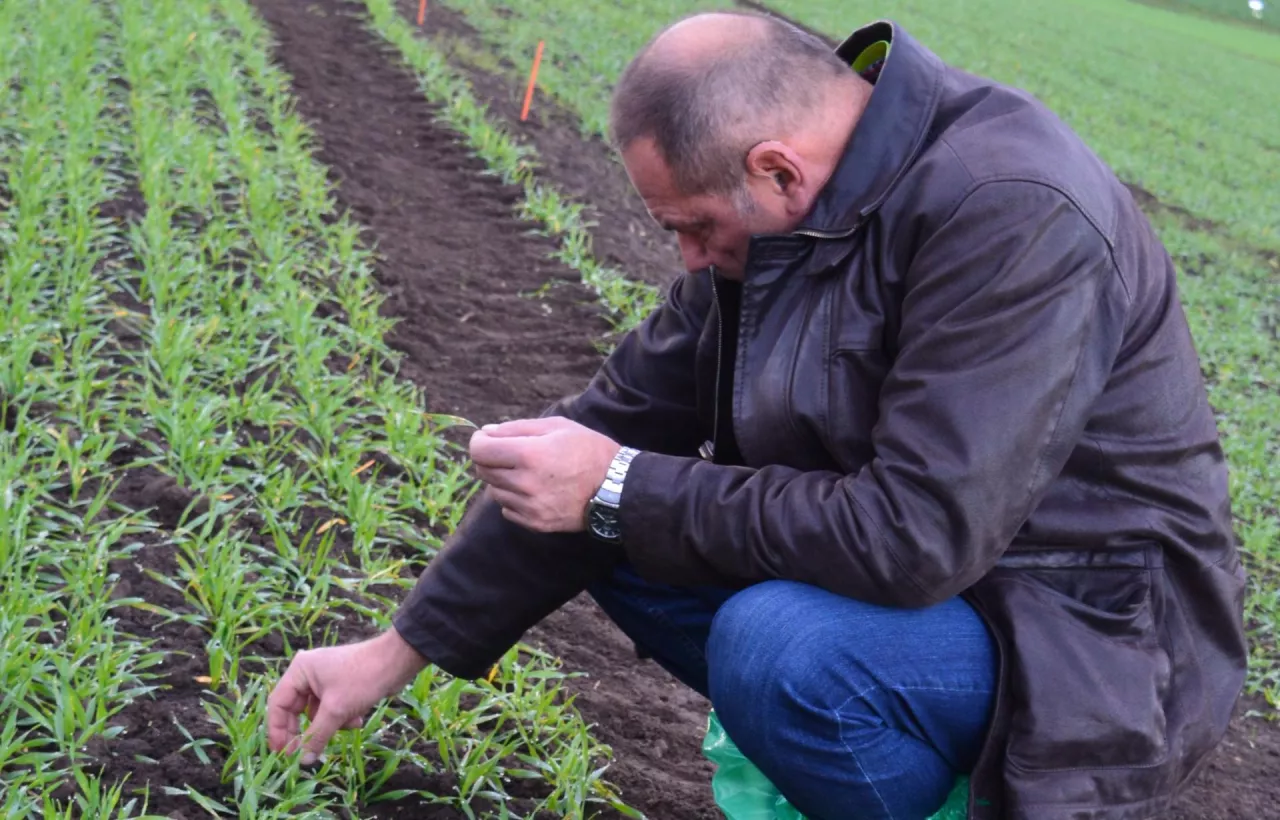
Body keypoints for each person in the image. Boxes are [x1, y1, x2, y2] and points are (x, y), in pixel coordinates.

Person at [266, 11, 1248, 819]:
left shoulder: (1011, 209)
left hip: (1084, 630)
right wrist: (393, 652)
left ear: (777, 169)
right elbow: (621, 418)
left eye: (694, 227)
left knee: (780, 647)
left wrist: (617, 485)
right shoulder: (782, 225)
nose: (687, 258)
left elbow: (916, 535)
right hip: (948, 589)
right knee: (607, 524)